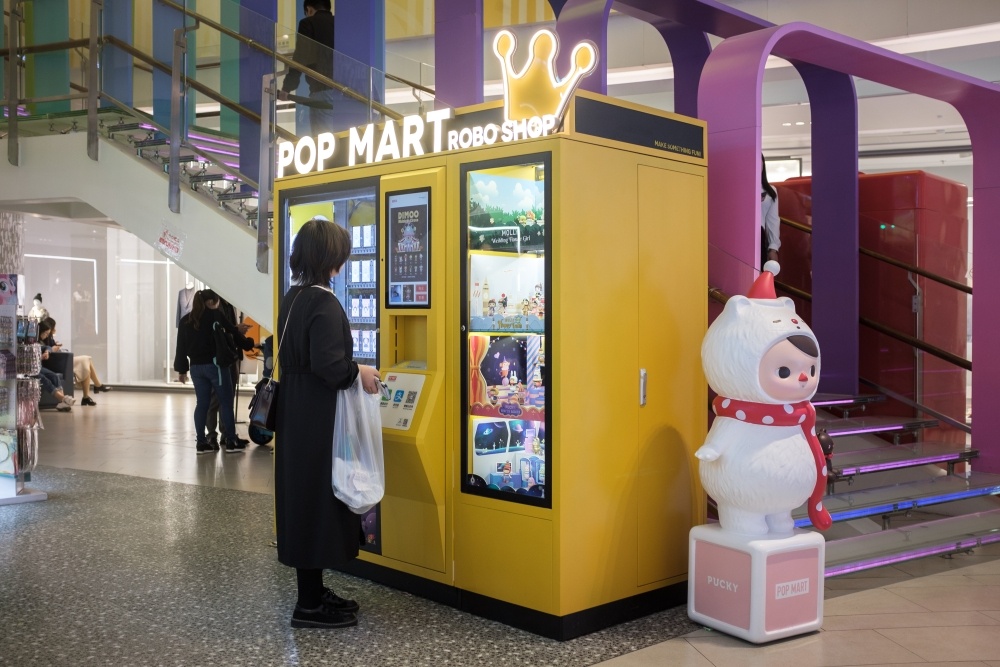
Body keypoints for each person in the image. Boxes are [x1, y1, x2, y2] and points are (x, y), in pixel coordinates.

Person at [274, 217, 381, 629]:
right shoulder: (323, 301)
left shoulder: (294, 296)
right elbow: (330, 367)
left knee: (305, 501)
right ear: (331, 257)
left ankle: (314, 593)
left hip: (297, 411)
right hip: (319, 415)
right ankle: (308, 606)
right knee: (321, 501)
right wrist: (361, 371)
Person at [174, 289, 255, 454]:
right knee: (225, 403)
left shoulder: (185, 321)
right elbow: (233, 332)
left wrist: (182, 370)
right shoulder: (215, 316)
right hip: (216, 367)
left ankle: (202, 443)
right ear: (212, 302)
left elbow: (180, 348)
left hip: (196, 369)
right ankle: (231, 441)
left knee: (202, 404)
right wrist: (249, 344)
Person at [279, 0, 337, 136]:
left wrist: (287, 87)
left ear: (309, 10)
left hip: (321, 91)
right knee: (344, 138)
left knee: (323, 142)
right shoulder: (340, 23)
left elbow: (301, 57)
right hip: (346, 92)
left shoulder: (308, 23)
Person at [205, 296, 250, 449]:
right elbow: (218, 329)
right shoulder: (214, 303)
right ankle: (211, 436)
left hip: (231, 355)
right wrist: (237, 329)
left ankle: (228, 434)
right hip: (219, 357)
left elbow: (230, 328)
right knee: (215, 398)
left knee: (228, 398)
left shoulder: (230, 304)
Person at [41, 318, 111, 406]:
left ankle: (87, 396)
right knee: (86, 360)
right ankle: (97, 386)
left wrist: (55, 347)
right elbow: (46, 350)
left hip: (60, 359)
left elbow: (49, 348)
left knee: (86, 363)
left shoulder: (49, 338)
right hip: (57, 362)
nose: (55, 330)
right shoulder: (41, 340)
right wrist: (52, 349)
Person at [761, 156, 780, 268]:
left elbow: (773, 220)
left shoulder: (770, 191)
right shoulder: (738, 188)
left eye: (760, 161)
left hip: (760, 239)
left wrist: (773, 248)